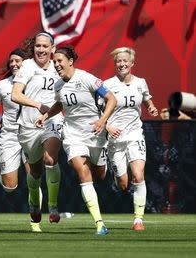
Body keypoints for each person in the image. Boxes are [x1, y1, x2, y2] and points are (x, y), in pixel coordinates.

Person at [35, 46, 117, 235]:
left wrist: (102, 120)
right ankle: (100, 224)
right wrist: (45, 116)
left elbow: (112, 99)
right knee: (82, 172)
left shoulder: (87, 78)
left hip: (95, 134)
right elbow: (60, 104)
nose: (56, 64)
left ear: (70, 61)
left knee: (100, 176)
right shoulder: (58, 85)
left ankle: (101, 169)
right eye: (54, 62)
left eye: (59, 61)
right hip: (72, 135)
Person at [11, 32, 63, 232]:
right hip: (28, 125)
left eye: (45, 46)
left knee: (51, 159)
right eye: (38, 46)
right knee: (35, 171)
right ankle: (34, 203)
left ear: (52, 48)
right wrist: (38, 105)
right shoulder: (27, 67)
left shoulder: (58, 67)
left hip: (53, 120)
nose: (41, 50)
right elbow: (16, 95)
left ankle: (53, 205)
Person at [103, 47, 158, 231]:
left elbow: (146, 98)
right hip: (115, 139)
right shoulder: (107, 85)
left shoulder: (141, 82)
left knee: (138, 175)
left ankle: (138, 220)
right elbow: (97, 110)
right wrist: (107, 126)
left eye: (125, 60)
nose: (122, 64)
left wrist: (150, 106)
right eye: (119, 61)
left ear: (132, 63)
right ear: (115, 64)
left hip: (135, 135)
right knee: (123, 184)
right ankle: (117, 176)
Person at [0, 48, 29, 193]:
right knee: (10, 187)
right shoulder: (2, 85)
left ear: (26, 64)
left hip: (30, 134)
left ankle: (36, 213)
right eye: (11, 61)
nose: (13, 64)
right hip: (9, 136)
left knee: (33, 178)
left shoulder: (34, 82)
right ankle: (4, 175)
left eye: (17, 61)